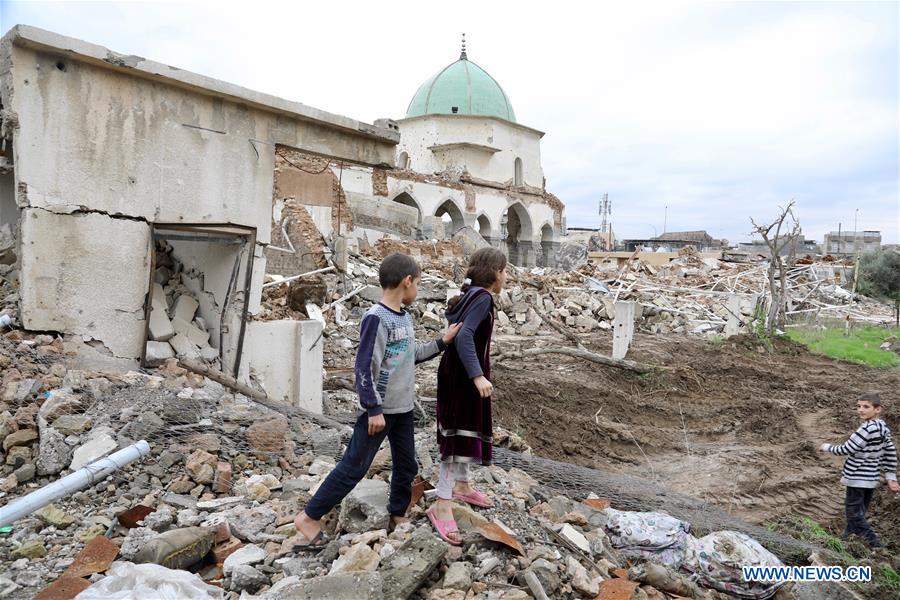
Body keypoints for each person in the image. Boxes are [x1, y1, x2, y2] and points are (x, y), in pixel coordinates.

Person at [293, 253, 461, 547]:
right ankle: (308, 517)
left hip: (403, 410)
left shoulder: (404, 317)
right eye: (418, 284)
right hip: (379, 412)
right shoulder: (376, 318)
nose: (417, 290)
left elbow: (412, 355)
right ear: (407, 282)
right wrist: (373, 409)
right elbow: (364, 366)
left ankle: (397, 512)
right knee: (354, 467)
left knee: (406, 465)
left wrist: (441, 342)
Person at [427, 247, 508, 545]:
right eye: (505, 271)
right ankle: (443, 504)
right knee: (456, 439)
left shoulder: (471, 294)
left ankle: (462, 485)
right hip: (463, 379)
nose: (506, 276)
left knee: (461, 433)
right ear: (495, 273)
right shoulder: (483, 297)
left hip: (454, 374)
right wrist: (477, 376)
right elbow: (463, 336)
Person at [819, 392, 899, 548]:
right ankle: (846, 541)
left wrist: (827, 447)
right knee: (858, 514)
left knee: (854, 515)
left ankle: (876, 545)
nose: (861, 410)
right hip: (870, 480)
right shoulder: (883, 429)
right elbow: (890, 452)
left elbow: (847, 448)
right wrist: (891, 477)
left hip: (857, 478)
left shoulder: (867, 429)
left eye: (866, 407)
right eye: (858, 406)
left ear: (877, 409)